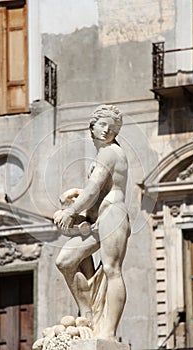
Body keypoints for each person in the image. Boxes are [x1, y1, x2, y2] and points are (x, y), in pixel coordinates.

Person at [54, 105, 130, 340]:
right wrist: (77, 192)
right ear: (92, 125)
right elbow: (96, 190)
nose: (108, 130)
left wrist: (70, 212)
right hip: (97, 220)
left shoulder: (109, 152)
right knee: (65, 261)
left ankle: (107, 332)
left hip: (114, 215)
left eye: (113, 127)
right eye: (103, 124)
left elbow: (96, 188)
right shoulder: (101, 156)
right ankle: (87, 313)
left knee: (112, 270)